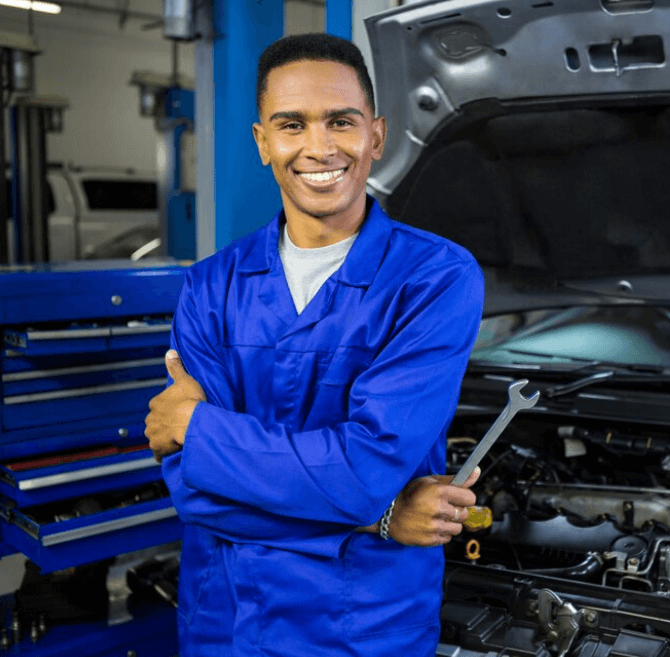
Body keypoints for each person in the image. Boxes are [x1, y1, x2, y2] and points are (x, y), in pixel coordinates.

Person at [143, 32, 485, 657]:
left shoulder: (435, 278)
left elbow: (362, 471)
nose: (319, 147)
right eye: (292, 124)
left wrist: (199, 426)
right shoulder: (210, 285)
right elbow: (191, 489)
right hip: (225, 620)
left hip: (359, 629)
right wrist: (379, 518)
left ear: (376, 136)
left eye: (341, 122)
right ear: (262, 142)